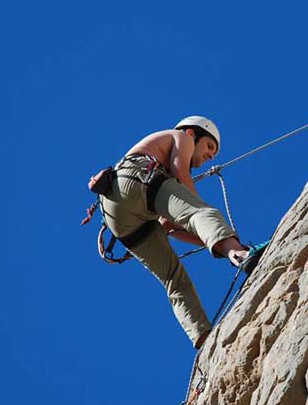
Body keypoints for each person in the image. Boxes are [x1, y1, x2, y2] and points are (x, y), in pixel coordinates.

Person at [99, 116, 264, 349]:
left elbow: (170, 226)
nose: (209, 156)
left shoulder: (160, 164)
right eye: (209, 146)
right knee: (202, 211)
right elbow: (183, 178)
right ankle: (241, 255)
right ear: (192, 133)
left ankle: (203, 338)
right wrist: (227, 240)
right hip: (137, 180)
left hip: (118, 216)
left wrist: (214, 240)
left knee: (173, 279)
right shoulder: (181, 138)